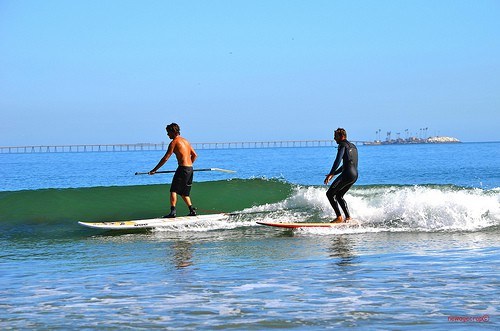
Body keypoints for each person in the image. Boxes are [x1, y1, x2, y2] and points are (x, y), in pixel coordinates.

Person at [149, 123, 198, 218]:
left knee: (173, 190)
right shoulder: (186, 141)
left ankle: (173, 212)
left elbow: (165, 158)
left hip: (183, 168)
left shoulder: (174, 142)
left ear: (173, 132)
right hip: (190, 169)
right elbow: (195, 155)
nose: (167, 135)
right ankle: (192, 210)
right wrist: (189, 165)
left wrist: (154, 170)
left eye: (168, 132)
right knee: (184, 193)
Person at [324, 128, 358, 223]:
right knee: (339, 195)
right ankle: (348, 218)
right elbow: (347, 164)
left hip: (346, 175)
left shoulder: (342, 145)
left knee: (330, 194)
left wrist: (331, 173)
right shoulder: (353, 146)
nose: (334, 138)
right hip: (354, 175)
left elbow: (338, 160)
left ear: (342, 136)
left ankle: (339, 217)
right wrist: (334, 173)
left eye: (336, 136)